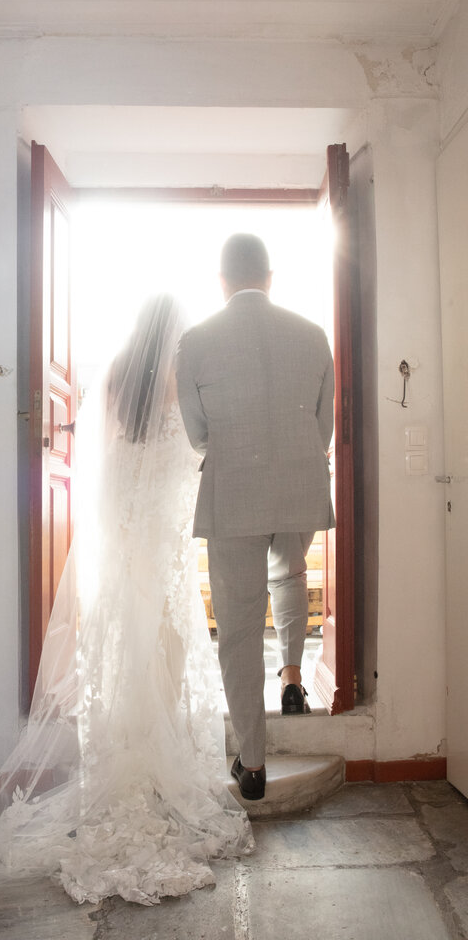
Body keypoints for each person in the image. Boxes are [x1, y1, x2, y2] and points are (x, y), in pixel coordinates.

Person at [0, 295, 252, 905]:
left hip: (120, 532)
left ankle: (124, 746)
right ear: (175, 334)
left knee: (120, 638)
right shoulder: (181, 376)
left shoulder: (115, 371)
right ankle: (159, 760)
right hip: (162, 533)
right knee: (163, 644)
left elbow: (106, 453)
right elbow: (196, 449)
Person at [176, 234, 335, 803]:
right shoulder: (313, 335)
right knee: (291, 577)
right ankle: (293, 680)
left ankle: (254, 761)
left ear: (222, 282)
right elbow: (324, 431)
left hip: (234, 493)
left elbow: (198, 435)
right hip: (298, 488)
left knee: (240, 629)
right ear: (270, 277)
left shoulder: (195, 341)